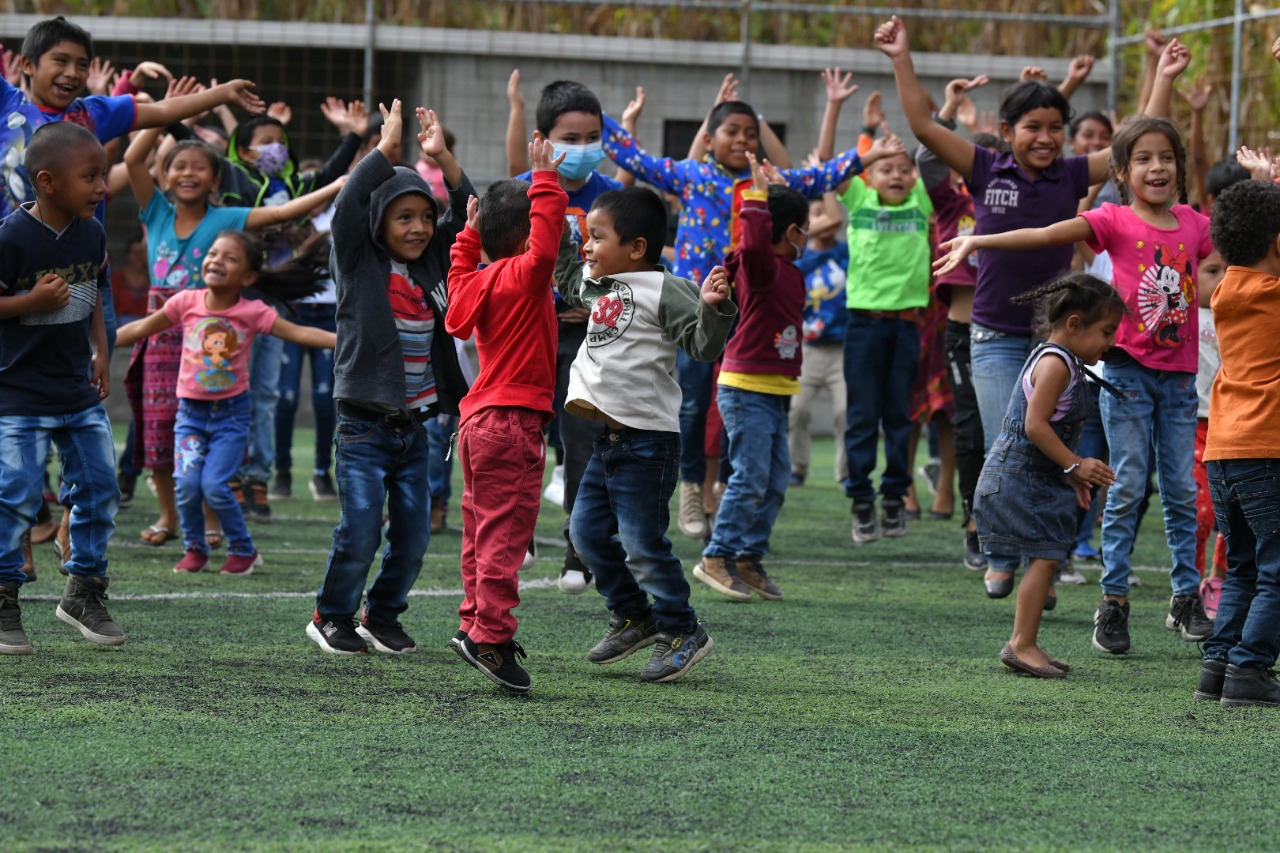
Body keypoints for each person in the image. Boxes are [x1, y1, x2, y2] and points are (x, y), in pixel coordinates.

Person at [876, 14, 1186, 592]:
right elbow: (921, 124)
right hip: (994, 336)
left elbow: (1136, 137)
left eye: (1055, 128)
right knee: (1010, 445)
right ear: (1006, 130)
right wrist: (900, 57)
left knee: (1054, 447)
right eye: (1032, 128)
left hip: (1059, 344)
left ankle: (1044, 559)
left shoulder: (1070, 175)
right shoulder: (984, 165)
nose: (1045, 138)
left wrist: (1163, 74)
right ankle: (1000, 550)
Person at [936, 115, 1215, 654]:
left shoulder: (1194, 225)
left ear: (1181, 168)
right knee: (1127, 486)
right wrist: (978, 241)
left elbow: (1247, 244)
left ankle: (1185, 597)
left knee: (1181, 489)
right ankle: (1113, 601)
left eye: (1167, 157)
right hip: (1129, 375)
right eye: (1143, 158)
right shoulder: (1112, 219)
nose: (1157, 167)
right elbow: (1044, 234)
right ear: (1121, 171)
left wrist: (1265, 184)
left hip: (1181, 381)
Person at [599, 84, 875, 543]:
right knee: (693, 402)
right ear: (709, 139)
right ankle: (692, 487)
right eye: (732, 131)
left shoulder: (766, 182)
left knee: (737, 403)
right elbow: (638, 161)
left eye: (750, 132)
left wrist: (866, 156)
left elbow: (817, 178)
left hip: (748, 311)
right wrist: (600, 120)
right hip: (695, 306)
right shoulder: (691, 175)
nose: (743, 139)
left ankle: (727, 486)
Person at [122, 121, 343, 551]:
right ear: (163, 176)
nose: (187, 173)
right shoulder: (155, 211)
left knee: (208, 429)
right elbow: (132, 159)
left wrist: (334, 185)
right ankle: (168, 515)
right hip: (162, 335)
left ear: (216, 181)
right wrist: (156, 113)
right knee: (158, 428)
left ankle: (210, 520)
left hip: (210, 336)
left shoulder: (225, 220)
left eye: (199, 167)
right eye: (178, 166)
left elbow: (280, 214)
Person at [306, 100, 472, 656]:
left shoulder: (433, 262)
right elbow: (348, 204)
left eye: (425, 216)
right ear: (378, 223)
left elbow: (468, 212)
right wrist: (383, 149)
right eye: (404, 218)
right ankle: (332, 616)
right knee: (360, 528)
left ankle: (382, 616)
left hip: (415, 428)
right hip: (362, 427)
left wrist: (442, 158)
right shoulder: (358, 262)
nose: (419, 227)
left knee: (415, 533)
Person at [554, 186, 736, 683]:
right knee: (584, 534)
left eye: (597, 237)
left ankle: (682, 629)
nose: (588, 246)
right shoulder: (600, 286)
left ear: (636, 248)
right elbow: (568, 278)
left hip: (648, 442)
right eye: (586, 237)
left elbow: (702, 345)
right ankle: (634, 615)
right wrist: (555, 226)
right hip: (608, 443)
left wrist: (713, 307)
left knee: (642, 545)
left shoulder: (665, 289)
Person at [115, 232, 336, 575]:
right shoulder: (185, 301)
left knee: (215, 486)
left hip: (230, 418)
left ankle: (243, 550)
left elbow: (300, 333)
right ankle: (195, 549)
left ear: (248, 277)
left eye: (230, 258)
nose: (217, 260)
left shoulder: (253, 311)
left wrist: (346, 341)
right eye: (214, 253)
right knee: (187, 485)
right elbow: (142, 327)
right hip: (190, 415)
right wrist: (98, 344)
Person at [444, 137, 569, 693]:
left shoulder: (479, 279)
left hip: (477, 424)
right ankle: (490, 638)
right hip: (512, 424)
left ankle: (474, 621)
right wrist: (546, 183)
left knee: (480, 529)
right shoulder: (524, 272)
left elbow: (455, 307)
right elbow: (543, 252)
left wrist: (467, 238)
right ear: (525, 237)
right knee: (506, 534)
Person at [0, 122, 122, 654]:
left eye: (103, 175)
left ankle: (84, 590)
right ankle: (3, 596)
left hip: (76, 390)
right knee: (16, 496)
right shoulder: (10, 238)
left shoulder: (92, 232)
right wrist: (30, 302)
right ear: (47, 182)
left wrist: (102, 349)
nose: (102, 187)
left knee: (99, 488)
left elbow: (94, 290)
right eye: (90, 177)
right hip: (18, 395)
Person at [505, 75, 627, 595]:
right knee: (521, 435)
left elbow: (628, 270)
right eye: (569, 138)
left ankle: (578, 548)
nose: (582, 147)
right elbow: (505, 263)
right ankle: (518, 535)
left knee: (582, 441)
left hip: (589, 341)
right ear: (543, 139)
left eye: (592, 137)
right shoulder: (521, 192)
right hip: (530, 336)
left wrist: (596, 304)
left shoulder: (615, 198)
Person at [219, 101, 368, 517]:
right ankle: (232, 475)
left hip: (276, 304)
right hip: (236, 303)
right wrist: (210, 107)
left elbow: (331, 175)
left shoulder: (293, 188)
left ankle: (259, 478)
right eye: (266, 142)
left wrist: (354, 135)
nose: (276, 149)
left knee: (267, 394)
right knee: (232, 391)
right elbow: (206, 152)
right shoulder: (236, 182)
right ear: (243, 151)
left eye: (280, 142)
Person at [977, 273, 1123, 678]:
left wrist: (1069, 473)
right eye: (1106, 332)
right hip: (1020, 475)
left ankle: (1026, 641)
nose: (1111, 342)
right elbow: (1035, 425)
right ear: (1074, 324)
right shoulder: (1056, 364)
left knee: (1047, 557)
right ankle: (1021, 644)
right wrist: (1075, 464)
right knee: (1044, 558)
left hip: (1035, 475)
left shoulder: (1063, 360)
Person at [693, 152, 808, 601]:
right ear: (792, 232)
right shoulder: (758, 268)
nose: (809, 235)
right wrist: (757, 200)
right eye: (804, 228)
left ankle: (747, 556)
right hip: (745, 389)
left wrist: (777, 193)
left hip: (775, 391)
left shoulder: (790, 271)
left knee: (775, 481)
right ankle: (716, 555)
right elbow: (756, 245)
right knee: (750, 476)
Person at [1193, 177, 1280, 706]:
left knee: (1243, 566)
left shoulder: (1226, 290)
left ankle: (1218, 666)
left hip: (1224, 449)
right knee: (1276, 571)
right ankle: (1249, 668)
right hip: (1268, 448)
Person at [835, 128, 928, 542]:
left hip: (906, 325)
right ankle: (860, 499)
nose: (896, 176)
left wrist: (945, 115)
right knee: (862, 416)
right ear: (869, 177)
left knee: (898, 415)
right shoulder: (860, 201)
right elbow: (836, 170)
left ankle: (894, 497)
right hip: (863, 325)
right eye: (885, 169)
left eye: (904, 170)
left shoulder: (920, 202)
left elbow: (933, 160)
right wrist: (869, 142)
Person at [789, 194, 849, 488]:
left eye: (829, 213)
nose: (825, 220)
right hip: (807, 349)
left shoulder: (847, 253)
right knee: (797, 411)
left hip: (842, 348)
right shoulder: (799, 259)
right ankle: (797, 467)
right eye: (817, 214)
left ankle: (846, 472)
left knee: (844, 411)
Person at [1192, 247, 1228, 616]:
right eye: (1212, 270)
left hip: (1231, 424)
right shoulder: (1187, 315)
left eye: (1228, 270)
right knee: (1200, 512)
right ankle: (1189, 584)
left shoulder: (1236, 312)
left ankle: (1219, 578)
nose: (1222, 279)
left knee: (1235, 509)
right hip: (1194, 424)